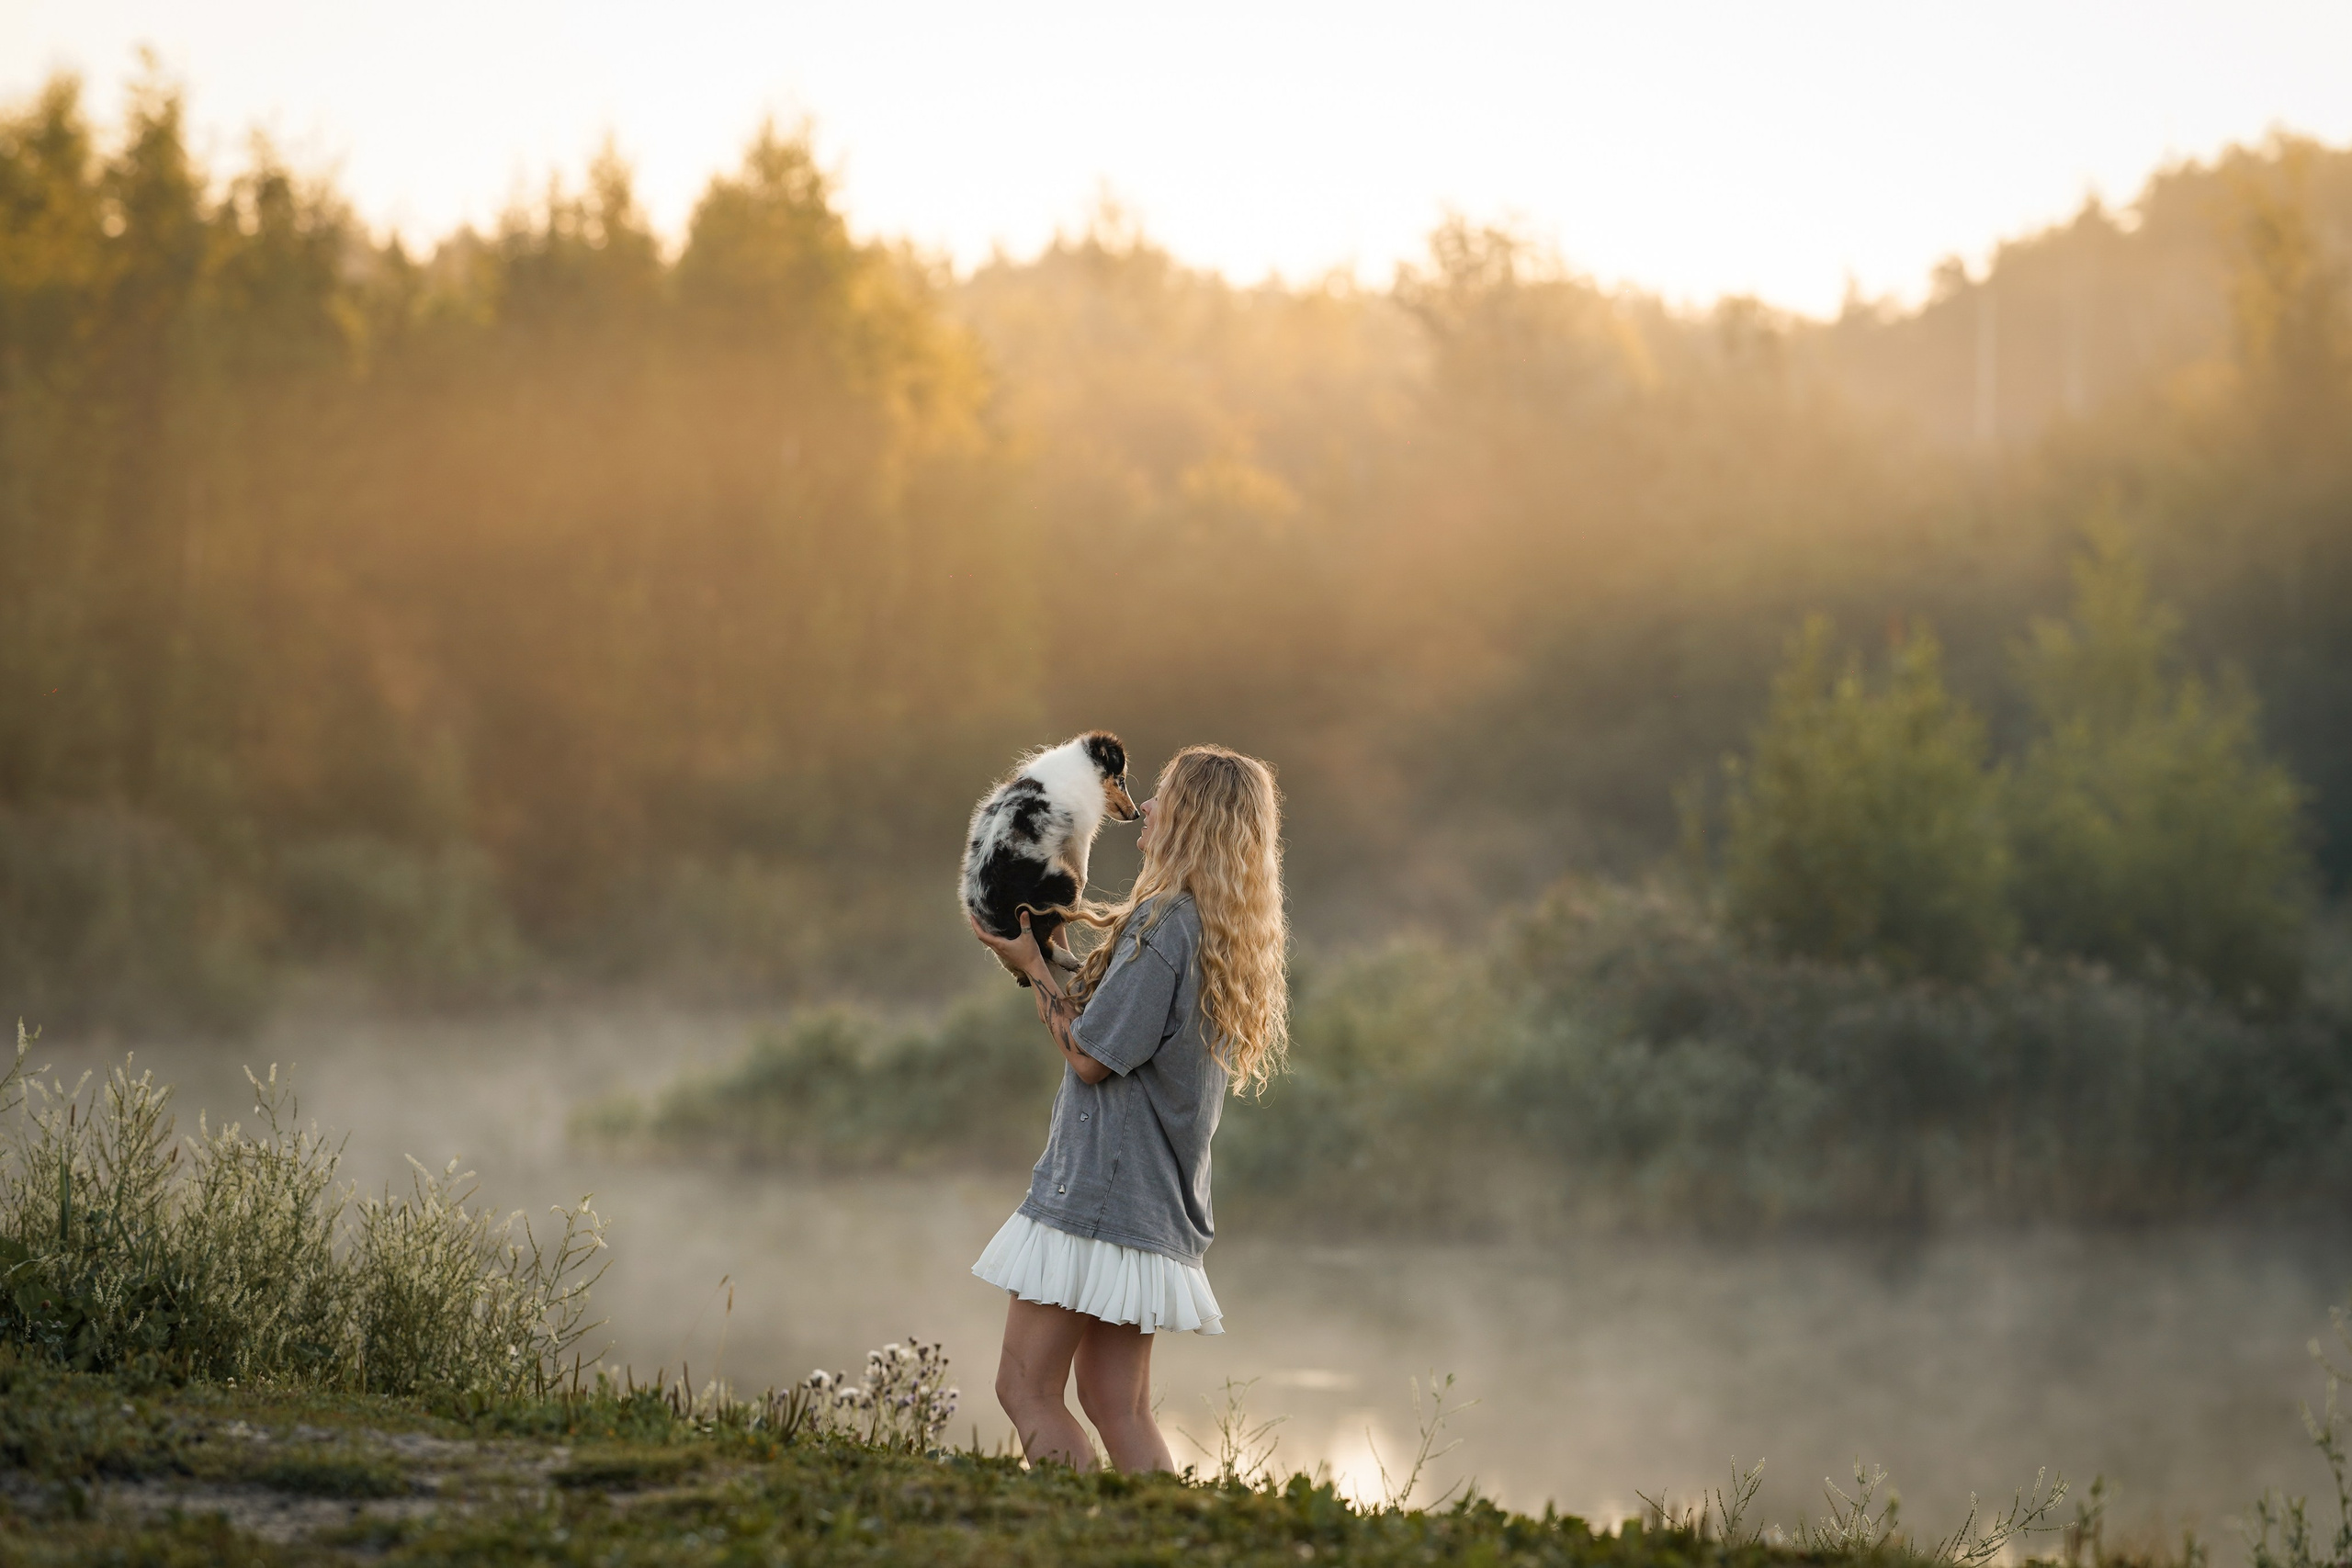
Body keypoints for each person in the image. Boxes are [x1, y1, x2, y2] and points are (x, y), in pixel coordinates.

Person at [967, 743, 1289, 1472]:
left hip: (1103, 1195)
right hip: (1147, 1198)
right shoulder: (1208, 927)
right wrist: (1042, 954)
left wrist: (1028, 971)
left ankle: (1080, 1537)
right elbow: (1112, 1020)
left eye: (1163, 796)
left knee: (1024, 1387)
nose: (1142, 806)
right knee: (1120, 1405)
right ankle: (1161, 1538)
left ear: (1193, 820)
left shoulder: (1167, 925)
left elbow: (1089, 1054)